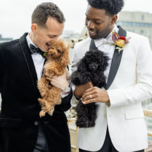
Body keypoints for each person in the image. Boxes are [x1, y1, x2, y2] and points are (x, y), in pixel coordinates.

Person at [71, 0, 152, 152]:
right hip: (90, 138)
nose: (90, 25)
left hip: (129, 138)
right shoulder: (80, 48)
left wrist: (109, 96)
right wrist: (77, 92)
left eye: (97, 21)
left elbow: (148, 87)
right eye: (87, 18)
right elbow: (73, 93)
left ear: (113, 19)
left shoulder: (139, 43)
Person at [0, 2, 72, 152]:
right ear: (34, 28)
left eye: (59, 36)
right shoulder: (4, 52)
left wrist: (65, 88)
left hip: (56, 140)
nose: (56, 41)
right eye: (52, 36)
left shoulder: (60, 55)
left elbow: (65, 105)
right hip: (17, 140)